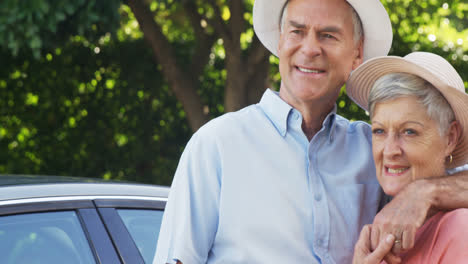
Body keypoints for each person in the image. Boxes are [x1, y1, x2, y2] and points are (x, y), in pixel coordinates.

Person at [154, 0, 468, 263]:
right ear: (280, 41)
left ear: (357, 53)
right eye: (297, 31)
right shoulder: (217, 145)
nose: (310, 48)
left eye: (328, 35)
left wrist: (424, 192)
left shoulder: (374, 148)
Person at [346, 52, 468, 263]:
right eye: (379, 131)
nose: (390, 150)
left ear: (450, 138)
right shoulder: (376, 231)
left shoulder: (460, 228)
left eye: (409, 132)